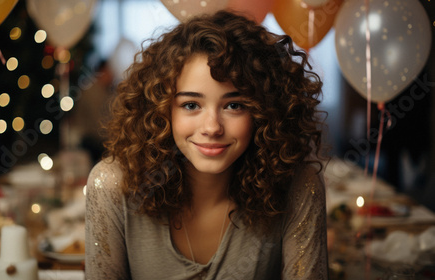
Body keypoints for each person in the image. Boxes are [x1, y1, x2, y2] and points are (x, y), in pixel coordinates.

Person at [85, 10, 328, 280]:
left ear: (264, 113)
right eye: (191, 105)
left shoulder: (298, 185)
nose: (212, 127)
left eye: (234, 105)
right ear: (160, 110)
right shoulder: (110, 187)